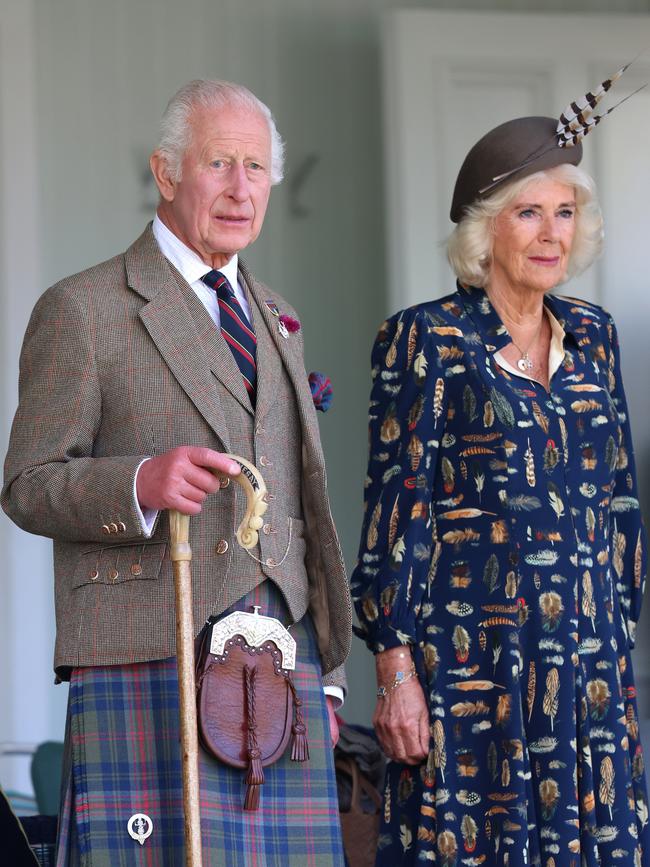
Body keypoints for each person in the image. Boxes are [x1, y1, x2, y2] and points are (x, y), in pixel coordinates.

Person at [2, 79, 351, 865]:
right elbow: (28, 481)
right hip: (146, 652)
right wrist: (136, 484)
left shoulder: (280, 315)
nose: (240, 189)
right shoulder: (84, 308)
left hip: (281, 665)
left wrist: (326, 673)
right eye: (219, 163)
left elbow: (302, 501)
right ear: (166, 173)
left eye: (256, 168)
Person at [351, 106, 649, 865]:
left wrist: (618, 650)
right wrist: (396, 672)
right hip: (471, 669)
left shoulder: (595, 337)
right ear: (486, 230)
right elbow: (396, 512)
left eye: (565, 212)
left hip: (589, 667)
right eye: (529, 213)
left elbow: (620, 506)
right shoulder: (428, 338)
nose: (552, 233)